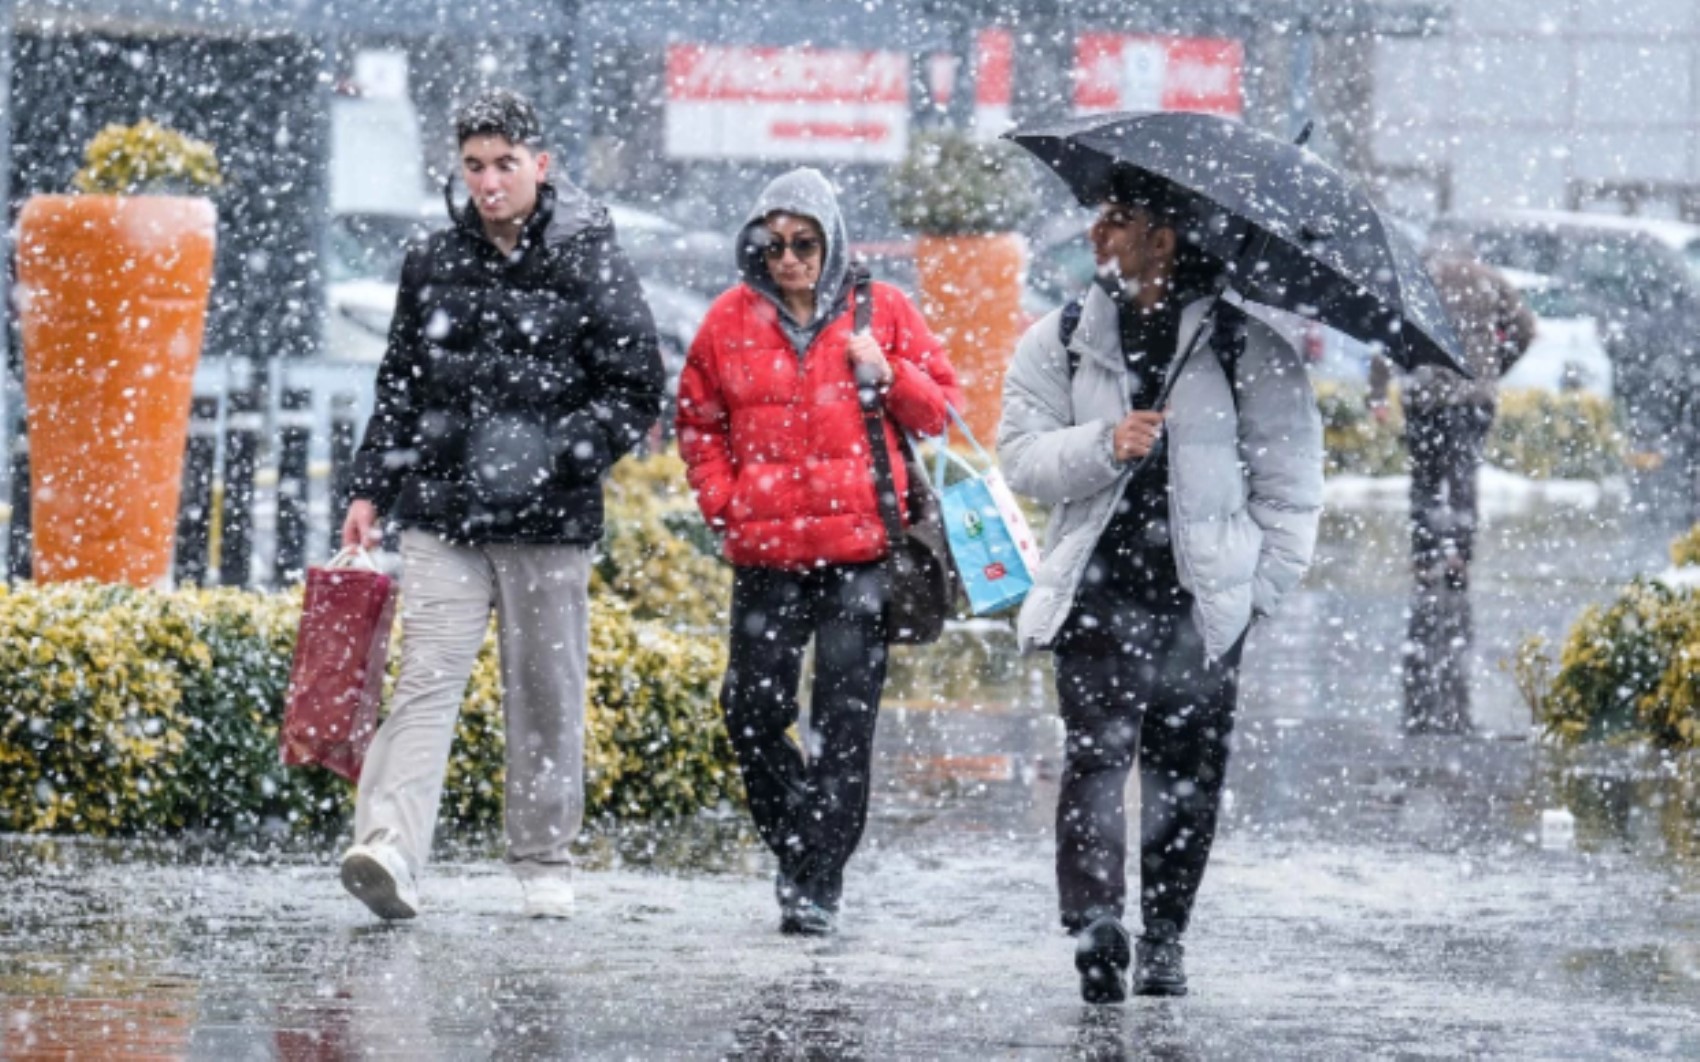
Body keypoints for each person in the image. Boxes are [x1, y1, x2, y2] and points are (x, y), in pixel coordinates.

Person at [336, 89, 663, 920]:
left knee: (545, 690)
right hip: (443, 512)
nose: (488, 182)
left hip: (548, 523)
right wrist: (370, 487)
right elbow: (400, 384)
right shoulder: (431, 259)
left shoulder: (591, 257)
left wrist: (553, 455)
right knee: (424, 684)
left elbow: (634, 388)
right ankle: (389, 850)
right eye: (475, 165)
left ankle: (543, 859)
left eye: (505, 165)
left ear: (540, 165)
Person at [998, 177, 1323, 1002]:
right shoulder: (1064, 337)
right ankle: (1100, 923)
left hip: (1201, 600)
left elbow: (1291, 491)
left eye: (1119, 219)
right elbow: (1022, 457)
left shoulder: (1248, 350)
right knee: (1097, 759)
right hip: (1099, 588)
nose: (1099, 231)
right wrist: (1106, 443)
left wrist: (1256, 595)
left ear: (1165, 239)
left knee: (1187, 771)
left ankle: (1167, 934)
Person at [675, 167, 962, 936]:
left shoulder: (886, 311)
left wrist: (889, 371)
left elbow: (940, 412)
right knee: (750, 709)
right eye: (773, 245)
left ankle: (815, 884)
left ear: (830, 243)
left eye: (805, 243)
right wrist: (723, 502)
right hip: (765, 555)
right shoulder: (727, 322)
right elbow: (697, 422)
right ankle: (803, 847)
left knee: (845, 723)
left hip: (861, 554)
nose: (790, 259)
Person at [1368, 253, 1534, 734]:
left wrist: (1380, 390)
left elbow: (1385, 334)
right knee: (1464, 480)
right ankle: (1458, 555)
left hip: (1425, 392)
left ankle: (1424, 557)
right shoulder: (1490, 278)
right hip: (1472, 393)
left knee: (1424, 478)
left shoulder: (1414, 273)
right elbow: (1524, 328)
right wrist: (1494, 367)